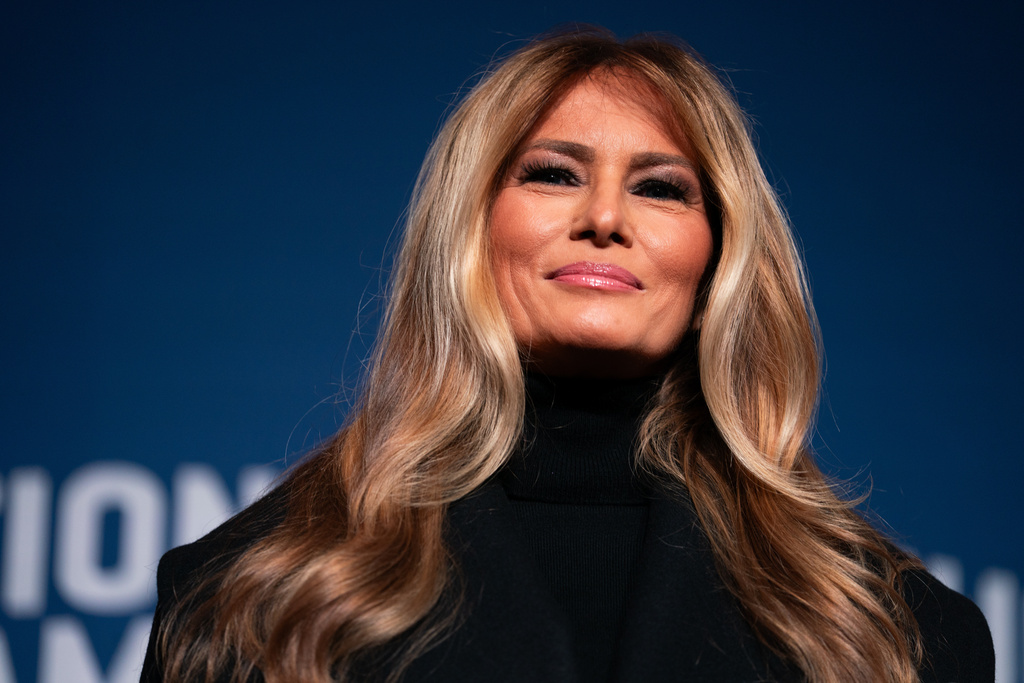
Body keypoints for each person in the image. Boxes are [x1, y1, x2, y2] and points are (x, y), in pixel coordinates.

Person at [141, 27, 994, 683]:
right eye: (554, 174)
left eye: (660, 187)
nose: (605, 217)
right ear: (471, 230)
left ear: (717, 261)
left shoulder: (895, 633)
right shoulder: (250, 596)